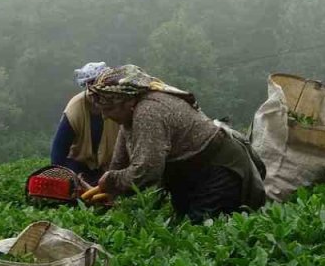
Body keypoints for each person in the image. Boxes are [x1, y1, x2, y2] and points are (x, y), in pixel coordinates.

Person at [79, 65, 266, 221]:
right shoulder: (129, 116)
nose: (105, 116)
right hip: (189, 174)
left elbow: (147, 170)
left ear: (128, 101)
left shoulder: (148, 112)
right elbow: (120, 162)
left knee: (202, 230)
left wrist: (112, 181)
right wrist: (106, 189)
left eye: (109, 108)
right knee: (181, 224)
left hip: (217, 169)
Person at [49, 61, 119, 184]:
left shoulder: (117, 103)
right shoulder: (75, 107)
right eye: (90, 85)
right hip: (79, 165)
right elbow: (59, 150)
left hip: (110, 165)